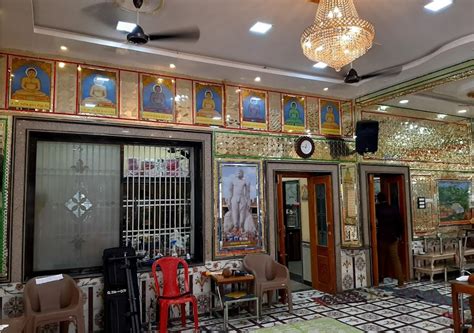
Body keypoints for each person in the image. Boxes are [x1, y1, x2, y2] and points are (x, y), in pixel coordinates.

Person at [376, 192, 405, 287]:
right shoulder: (393, 208)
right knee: (395, 259)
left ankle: (380, 278)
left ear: (378, 199)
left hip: (382, 238)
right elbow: (400, 223)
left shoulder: (377, 208)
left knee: (381, 259)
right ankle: (401, 282)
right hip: (393, 238)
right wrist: (399, 235)